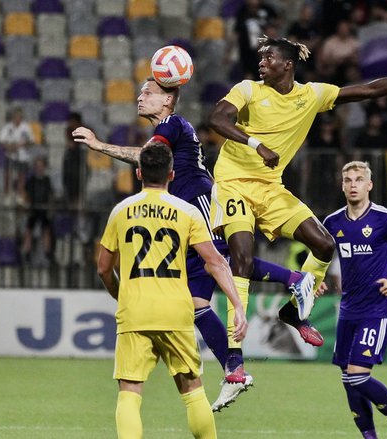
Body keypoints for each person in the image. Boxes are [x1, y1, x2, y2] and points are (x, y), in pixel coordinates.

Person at [73, 77, 323, 412]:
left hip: (199, 202)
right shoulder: (167, 131)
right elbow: (149, 158)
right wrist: (99, 145)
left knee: (223, 259)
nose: (140, 97)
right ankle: (234, 370)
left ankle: (295, 280)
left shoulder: (174, 124)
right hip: (183, 212)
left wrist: (99, 145)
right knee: (196, 302)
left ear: (168, 100)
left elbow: (147, 158)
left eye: (149, 93)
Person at [207, 35, 387, 382]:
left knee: (323, 244)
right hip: (233, 184)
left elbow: (369, 90)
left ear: (288, 65)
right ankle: (234, 358)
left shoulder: (311, 95)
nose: (262, 62)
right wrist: (256, 144)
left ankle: (293, 312)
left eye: (269, 57)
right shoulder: (247, 89)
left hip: (271, 189)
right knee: (242, 258)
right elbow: (217, 119)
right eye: (261, 57)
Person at [97, 142, 248, 439]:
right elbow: (215, 261)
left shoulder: (121, 211)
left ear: (139, 172)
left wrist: (120, 294)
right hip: (176, 311)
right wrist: (237, 305)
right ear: (172, 174)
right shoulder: (187, 211)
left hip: (135, 311)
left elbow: (103, 268)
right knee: (192, 389)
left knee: (129, 392)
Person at [322, 161, 387, 439]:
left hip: (375, 310)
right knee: (348, 380)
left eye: (358, 179)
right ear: (342, 185)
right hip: (347, 311)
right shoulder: (332, 222)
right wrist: (317, 280)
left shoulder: (384, 218)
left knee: (357, 375)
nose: (353, 184)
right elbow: (319, 257)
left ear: (369, 185)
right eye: (347, 180)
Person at [21, 156, 54, 265]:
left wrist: (49, 207)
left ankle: (47, 253)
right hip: (33, 209)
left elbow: (50, 195)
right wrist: (27, 205)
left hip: (43, 209)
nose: (39, 168)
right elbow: (25, 193)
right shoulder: (31, 180)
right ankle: (27, 252)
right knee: (29, 229)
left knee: (46, 229)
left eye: (41, 166)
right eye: (37, 166)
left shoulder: (47, 180)